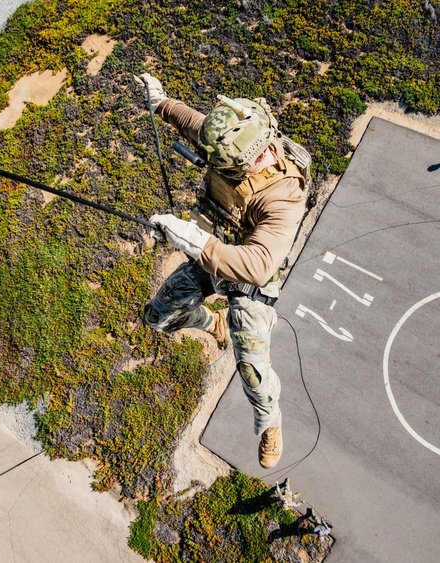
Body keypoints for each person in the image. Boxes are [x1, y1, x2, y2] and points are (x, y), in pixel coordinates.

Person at [134, 73, 311, 469]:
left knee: (251, 367)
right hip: (213, 251)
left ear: (263, 149)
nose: (263, 158)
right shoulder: (234, 142)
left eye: (232, 169)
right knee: (158, 318)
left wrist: (192, 241)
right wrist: (161, 101)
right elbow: (197, 124)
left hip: (249, 277)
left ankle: (270, 421)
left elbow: (259, 264)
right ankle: (211, 323)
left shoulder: (285, 194)